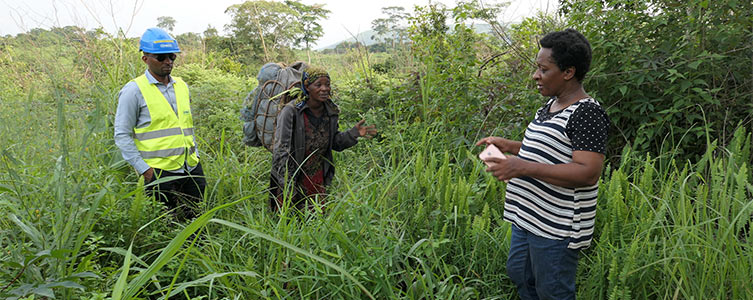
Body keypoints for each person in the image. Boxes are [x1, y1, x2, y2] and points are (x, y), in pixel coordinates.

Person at [476, 29, 610, 299]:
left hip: (556, 227)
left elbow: (588, 172)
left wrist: (520, 166)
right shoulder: (551, 105)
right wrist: (511, 147)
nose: (536, 75)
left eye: (543, 69)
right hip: (527, 217)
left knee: (552, 291)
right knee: (521, 275)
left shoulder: (587, 113)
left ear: (568, 72)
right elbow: (549, 150)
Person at [114, 27, 206, 221]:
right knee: (165, 225)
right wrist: (146, 171)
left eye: (172, 57)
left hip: (190, 167)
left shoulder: (181, 85)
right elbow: (122, 134)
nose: (168, 62)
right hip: (158, 172)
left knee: (197, 220)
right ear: (145, 58)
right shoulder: (133, 91)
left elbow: (185, 126)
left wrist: (195, 155)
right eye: (161, 57)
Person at [270, 66, 377, 212]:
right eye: (318, 85)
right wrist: (287, 184)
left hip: (317, 176)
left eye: (327, 84)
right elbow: (281, 150)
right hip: (292, 175)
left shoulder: (330, 111)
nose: (324, 89)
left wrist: (353, 134)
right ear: (307, 87)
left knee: (316, 218)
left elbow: (334, 143)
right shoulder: (291, 111)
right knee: (288, 219)